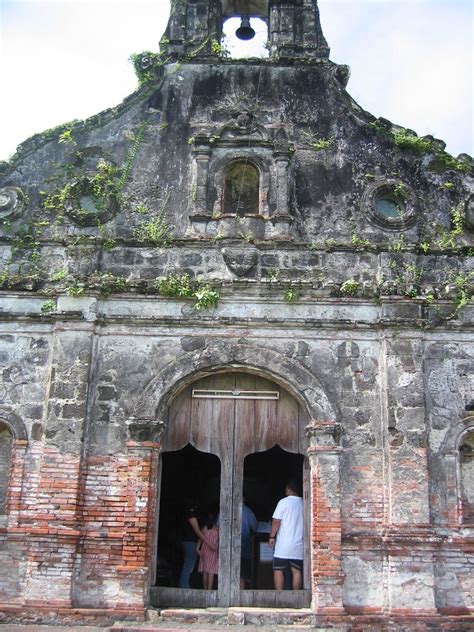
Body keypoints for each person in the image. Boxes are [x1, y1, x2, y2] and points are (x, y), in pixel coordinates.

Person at [268, 479, 304, 590]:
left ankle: (279, 596)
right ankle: (297, 596)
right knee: (296, 571)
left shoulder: (283, 502)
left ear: (289, 489)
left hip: (283, 544)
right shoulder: (304, 503)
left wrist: (272, 536)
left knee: (278, 570)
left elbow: (276, 521)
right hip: (298, 544)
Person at [178, 500, 216, 588]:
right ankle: (184, 587)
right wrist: (209, 543)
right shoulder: (191, 515)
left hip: (187, 542)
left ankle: (184, 585)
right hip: (190, 543)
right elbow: (197, 531)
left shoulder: (185, 514)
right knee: (189, 566)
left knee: (189, 565)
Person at [197, 512, 219, 589]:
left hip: (204, 550)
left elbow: (200, 539)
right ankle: (209, 590)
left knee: (205, 571)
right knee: (211, 571)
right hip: (213, 550)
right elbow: (220, 540)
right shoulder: (217, 529)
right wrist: (216, 545)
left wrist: (197, 549)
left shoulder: (204, 528)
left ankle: (205, 589)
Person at [240, 498, 257, 588]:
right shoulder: (248, 512)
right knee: (242, 574)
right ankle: (240, 595)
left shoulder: (224, 510)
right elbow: (254, 527)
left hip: (227, 548)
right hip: (244, 545)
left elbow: (218, 526)